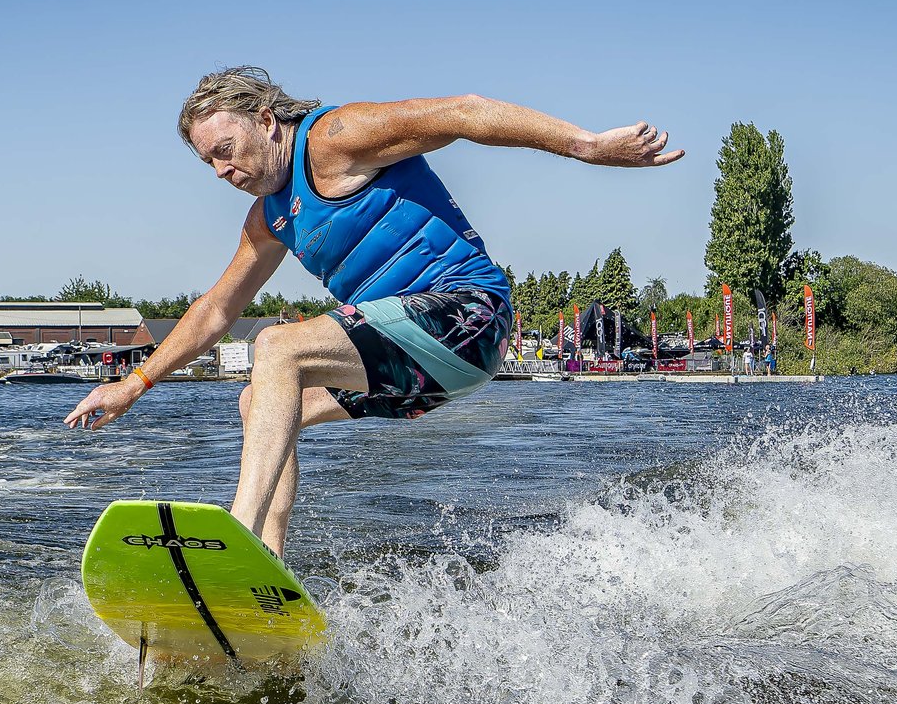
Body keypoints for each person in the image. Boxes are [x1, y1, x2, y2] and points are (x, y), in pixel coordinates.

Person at [64, 66, 683, 556]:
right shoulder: (271, 216)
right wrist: (135, 382)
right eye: (210, 163)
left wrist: (585, 146)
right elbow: (215, 310)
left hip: (467, 317)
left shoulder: (335, 138)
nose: (224, 170)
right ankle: (266, 566)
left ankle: (240, 533)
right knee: (260, 401)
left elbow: (461, 112)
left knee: (277, 347)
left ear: (265, 119)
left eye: (228, 149)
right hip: (419, 372)